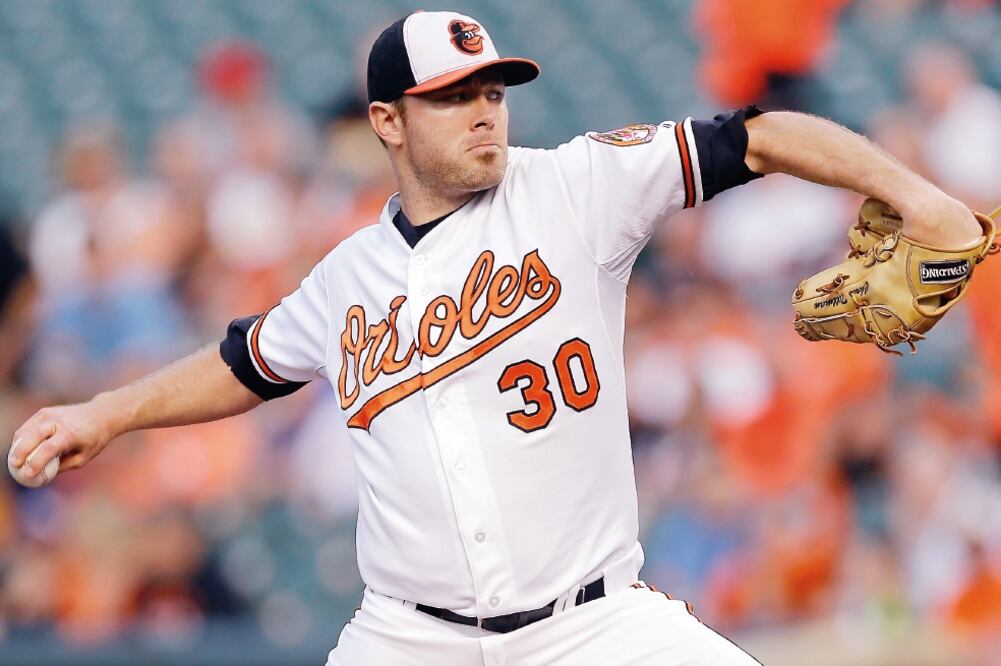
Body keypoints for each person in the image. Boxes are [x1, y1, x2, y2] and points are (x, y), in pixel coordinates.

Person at [8, 10, 983, 665]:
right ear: (388, 121)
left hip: (595, 626)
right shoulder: (345, 277)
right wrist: (108, 410)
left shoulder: (573, 186)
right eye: (453, 98)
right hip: (406, 641)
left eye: (492, 91)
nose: (483, 113)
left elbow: (757, 134)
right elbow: (245, 362)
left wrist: (917, 196)